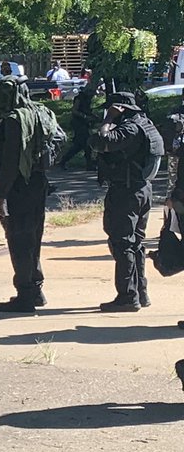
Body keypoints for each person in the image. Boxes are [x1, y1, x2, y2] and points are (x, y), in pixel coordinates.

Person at [0, 76, 59, 312]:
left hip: (19, 186)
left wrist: (1, 195)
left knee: (19, 240)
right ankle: (35, 290)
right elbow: (59, 139)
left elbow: (10, 161)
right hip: (39, 182)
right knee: (33, 237)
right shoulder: (42, 112)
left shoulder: (14, 120)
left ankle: (26, 294)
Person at [89, 91, 164, 311]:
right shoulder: (146, 124)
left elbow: (102, 141)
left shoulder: (129, 128)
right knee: (135, 243)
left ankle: (128, 296)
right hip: (142, 190)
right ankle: (140, 291)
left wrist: (108, 119)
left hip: (127, 191)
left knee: (122, 242)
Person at [58, 85, 98, 170]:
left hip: (84, 124)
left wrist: (93, 116)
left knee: (79, 146)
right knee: (86, 144)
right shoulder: (79, 98)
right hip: (78, 124)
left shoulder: (88, 99)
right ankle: (89, 165)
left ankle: (63, 161)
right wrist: (85, 116)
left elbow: (87, 110)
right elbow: (74, 111)